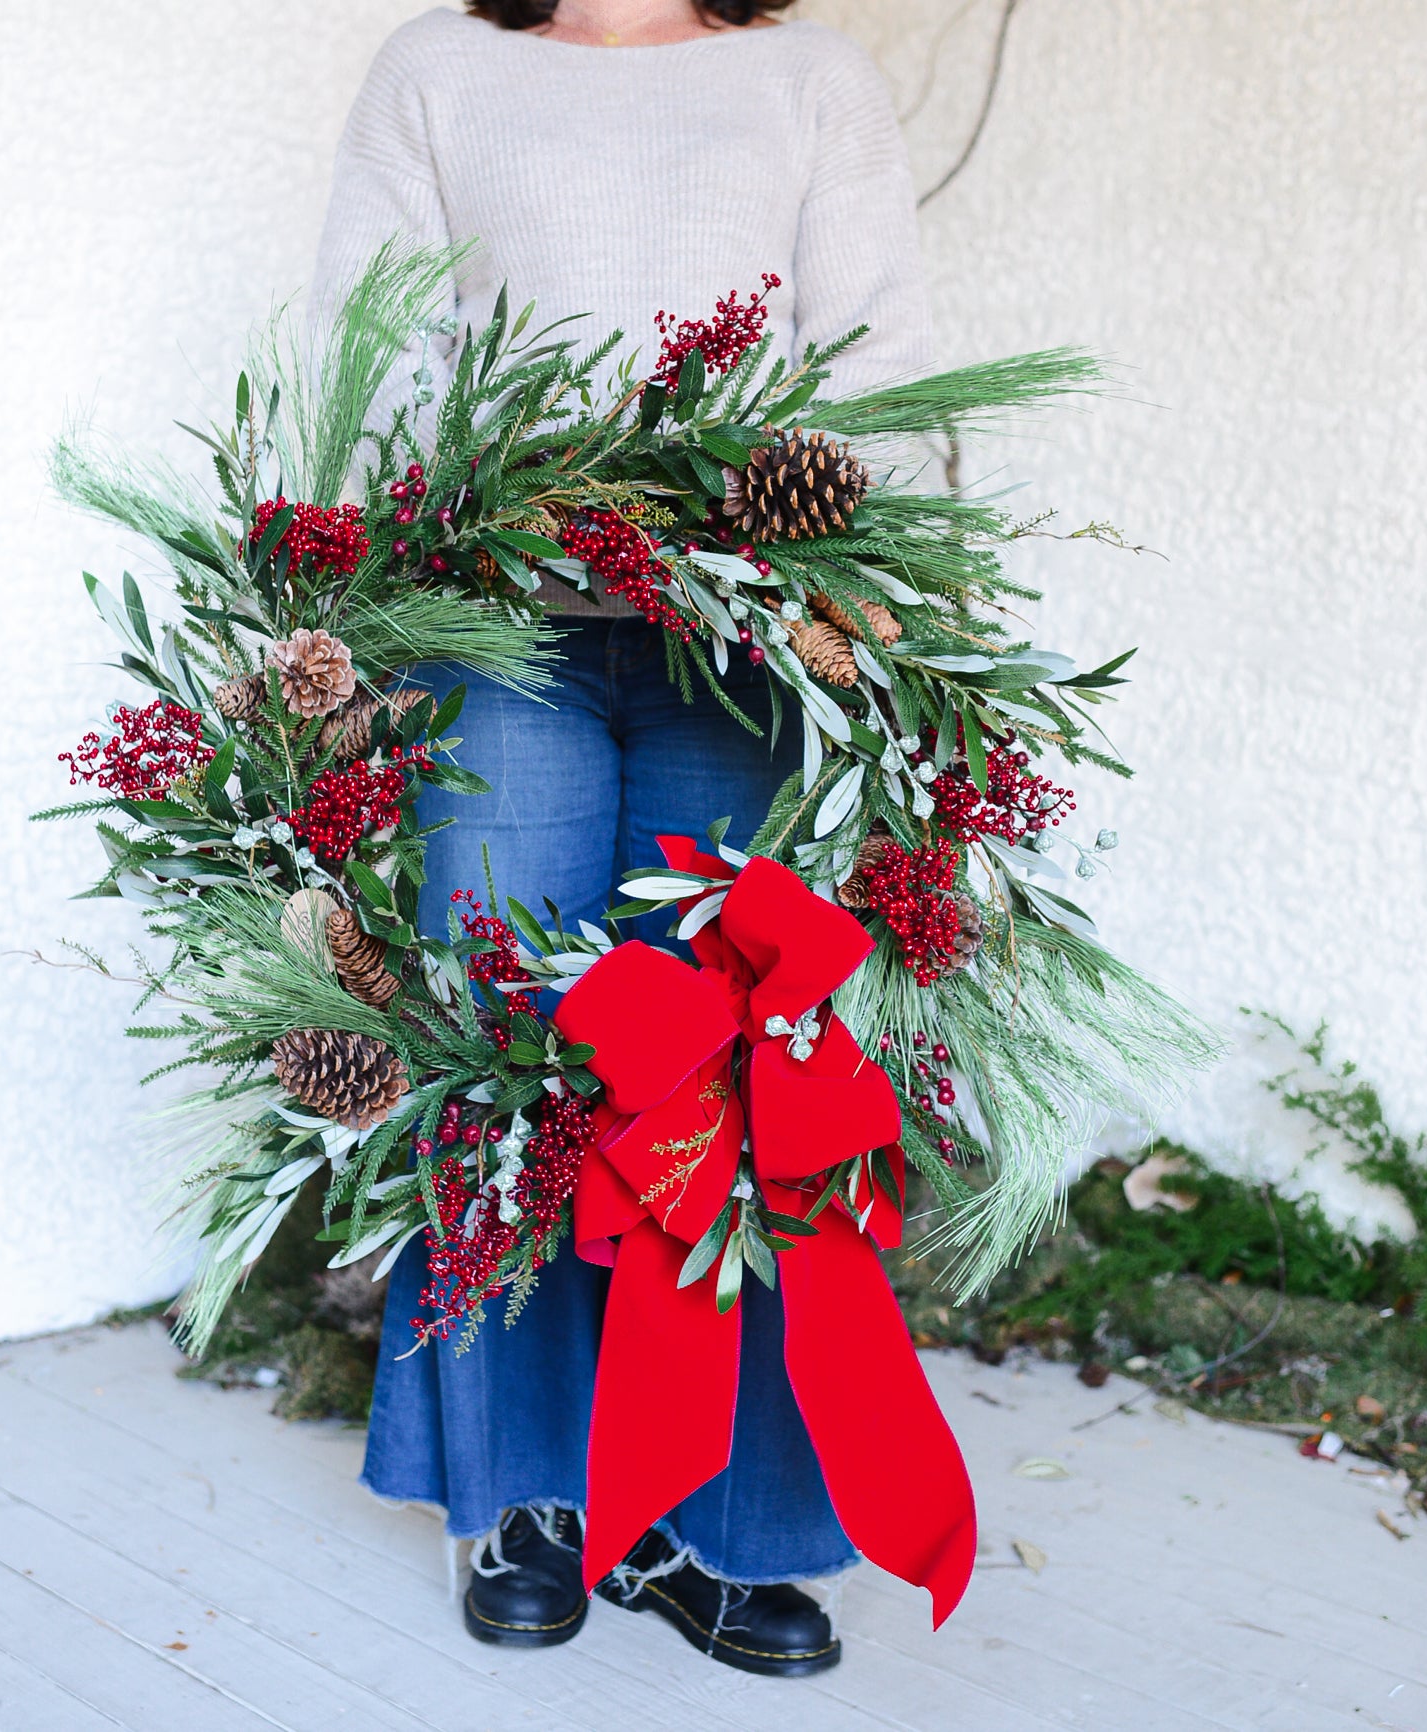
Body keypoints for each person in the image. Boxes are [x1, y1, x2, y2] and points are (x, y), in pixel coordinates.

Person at [310, 0, 931, 1677]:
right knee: (509, 1047)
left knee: (725, 1069)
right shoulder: (439, 71)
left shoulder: (807, 75)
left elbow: (871, 351)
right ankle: (528, 1497)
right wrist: (386, 586)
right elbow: (377, 350)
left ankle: (711, 1521)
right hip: (504, 636)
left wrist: (814, 566)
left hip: (738, 643)